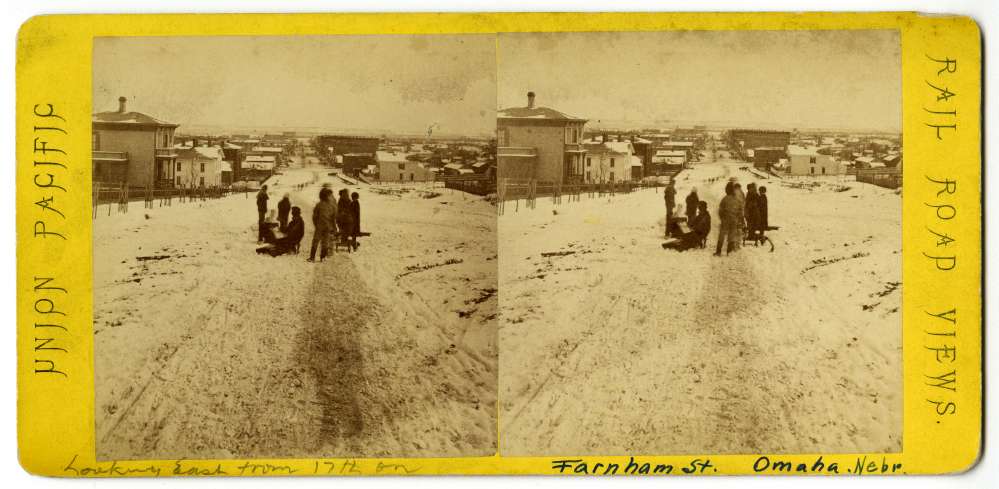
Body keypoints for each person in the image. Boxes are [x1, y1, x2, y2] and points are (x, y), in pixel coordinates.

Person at [308, 188, 337, 262]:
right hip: (328, 226)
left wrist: (316, 224)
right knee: (325, 242)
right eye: (330, 195)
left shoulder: (319, 205)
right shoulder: (332, 206)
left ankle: (312, 257)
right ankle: (323, 257)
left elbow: (314, 216)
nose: (331, 197)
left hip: (320, 225)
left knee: (316, 241)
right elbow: (333, 218)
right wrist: (333, 227)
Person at [715, 184, 743, 256]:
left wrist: (722, 217)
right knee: (732, 235)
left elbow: (720, 210)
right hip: (734, 220)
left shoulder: (725, 199)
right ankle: (729, 252)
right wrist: (737, 218)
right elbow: (740, 211)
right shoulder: (737, 199)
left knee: (722, 235)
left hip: (725, 219)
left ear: (727, 190)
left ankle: (718, 251)